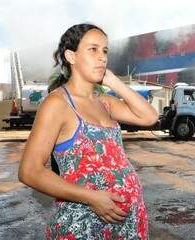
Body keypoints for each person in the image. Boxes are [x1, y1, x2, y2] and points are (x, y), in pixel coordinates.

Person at [18, 23, 158, 240]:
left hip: (128, 223)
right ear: (71, 57)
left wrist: (112, 81)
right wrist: (92, 198)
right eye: (93, 49)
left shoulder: (105, 102)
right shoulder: (58, 103)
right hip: (84, 225)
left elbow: (149, 117)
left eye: (105, 51)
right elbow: (30, 171)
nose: (102, 57)